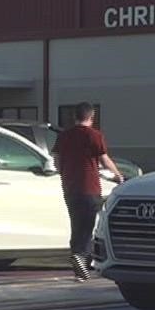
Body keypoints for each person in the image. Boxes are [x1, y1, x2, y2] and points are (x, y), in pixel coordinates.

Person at [51, 103, 123, 281]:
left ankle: (78, 260)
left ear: (74, 116)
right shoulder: (94, 136)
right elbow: (104, 160)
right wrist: (118, 176)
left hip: (69, 188)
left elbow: (57, 160)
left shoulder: (64, 136)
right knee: (88, 226)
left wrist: (64, 172)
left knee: (76, 225)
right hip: (90, 187)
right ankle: (81, 259)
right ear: (91, 117)